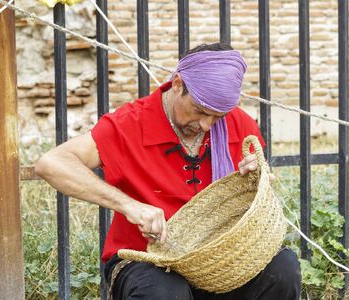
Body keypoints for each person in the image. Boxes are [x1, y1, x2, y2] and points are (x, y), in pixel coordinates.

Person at [35, 42, 301, 300]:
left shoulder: (238, 123)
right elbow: (52, 163)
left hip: (219, 262)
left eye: (217, 117)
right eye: (199, 111)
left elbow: (254, 186)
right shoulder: (130, 123)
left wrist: (257, 181)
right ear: (177, 85)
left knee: (283, 268)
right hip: (148, 261)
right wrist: (130, 206)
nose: (207, 125)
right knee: (166, 291)